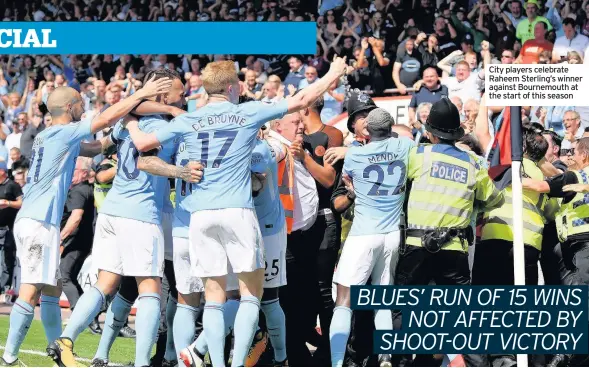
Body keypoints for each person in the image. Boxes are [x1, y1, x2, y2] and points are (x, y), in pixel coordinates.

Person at [122, 57, 348, 367]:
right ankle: (239, 362)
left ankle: (213, 361)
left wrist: (130, 120)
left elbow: (143, 143)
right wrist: (333, 73)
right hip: (237, 212)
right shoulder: (246, 112)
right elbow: (303, 99)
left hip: (199, 217)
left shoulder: (189, 120)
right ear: (233, 87)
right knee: (250, 297)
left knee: (213, 301)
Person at [3, 78, 172, 366]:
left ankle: (58, 350)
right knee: (31, 288)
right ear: (69, 107)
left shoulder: (50, 134)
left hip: (34, 218)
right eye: (81, 102)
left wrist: (117, 138)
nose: (85, 106)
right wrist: (140, 94)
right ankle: (9, 356)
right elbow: (104, 118)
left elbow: (94, 147)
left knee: (52, 287)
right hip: (38, 220)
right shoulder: (63, 132)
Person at [47, 75, 203, 368]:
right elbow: (145, 159)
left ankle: (65, 339)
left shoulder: (124, 123)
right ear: (165, 97)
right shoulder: (161, 126)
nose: (185, 99)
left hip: (112, 210)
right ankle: (144, 362)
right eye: (181, 94)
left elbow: (101, 149)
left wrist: (72, 144)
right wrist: (179, 172)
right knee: (150, 290)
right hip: (141, 214)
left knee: (105, 283)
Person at [395, 97, 504, 367]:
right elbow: (494, 200)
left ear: (430, 133)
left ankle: (405, 361)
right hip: (454, 251)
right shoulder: (472, 163)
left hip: (416, 246)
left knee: (404, 309)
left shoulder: (417, 154)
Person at [330, 108, 414, 368]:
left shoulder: (354, 155)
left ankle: (336, 361)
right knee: (383, 299)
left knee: (344, 300)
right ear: (390, 128)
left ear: (367, 131)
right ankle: (386, 357)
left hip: (363, 233)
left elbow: (349, 184)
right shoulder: (405, 146)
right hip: (392, 234)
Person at [59, 157, 99, 334]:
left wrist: (60, 238)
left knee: (64, 275)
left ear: (83, 172)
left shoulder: (78, 191)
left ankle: (82, 316)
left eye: (74, 171)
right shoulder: (89, 189)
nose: (70, 174)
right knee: (71, 277)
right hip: (84, 240)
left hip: (75, 241)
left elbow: (76, 217)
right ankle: (88, 314)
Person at [0, 160, 22, 293]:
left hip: (9, 228)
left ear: (2, 171)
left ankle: (4, 288)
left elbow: (22, 202)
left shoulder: (12, 185)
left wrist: (8, 203)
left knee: (6, 259)